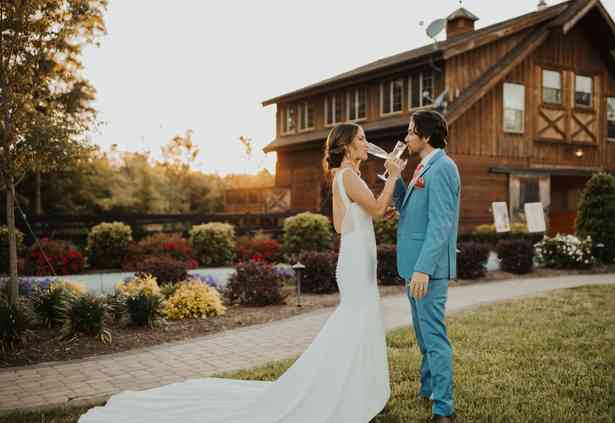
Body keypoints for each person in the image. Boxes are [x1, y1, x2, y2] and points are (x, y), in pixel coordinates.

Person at [78, 122, 404, 423]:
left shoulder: (343, 176)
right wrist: (391, 176)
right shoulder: (348, 176)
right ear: (347, 146)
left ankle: (354, 389)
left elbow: (345, 221)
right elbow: (373, 209)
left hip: (356, 257)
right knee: (355, 321)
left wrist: (373, 211)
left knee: (358, 321)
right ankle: (343, 391)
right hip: (356, 260)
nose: (367, 143)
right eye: (361, 139)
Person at [393, 110, 461, 423]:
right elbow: (408, 209)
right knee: (422, 335)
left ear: (427, 136)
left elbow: (440, 224)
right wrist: (394, 178)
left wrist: (423, 269)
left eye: (410, 131)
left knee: (434, 337)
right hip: (413, 266)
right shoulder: (423, 165)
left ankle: (442, 409)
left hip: (427, 269)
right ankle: (428, 388)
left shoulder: (443, 167)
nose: (406, 137)